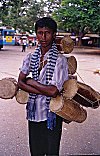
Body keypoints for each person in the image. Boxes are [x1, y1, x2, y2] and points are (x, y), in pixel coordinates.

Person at [18, 17, 69, 156]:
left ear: (54, 34)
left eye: (47, 32)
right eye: (40, 32)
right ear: (36, 34)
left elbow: (53, 91)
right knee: (36, 152)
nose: (43, 37)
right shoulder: (30, 57)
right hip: (34, 113)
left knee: (52, 152)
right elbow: (20, 82)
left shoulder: (60, 60)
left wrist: (32, 82)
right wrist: (42, 89)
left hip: (51, 114)